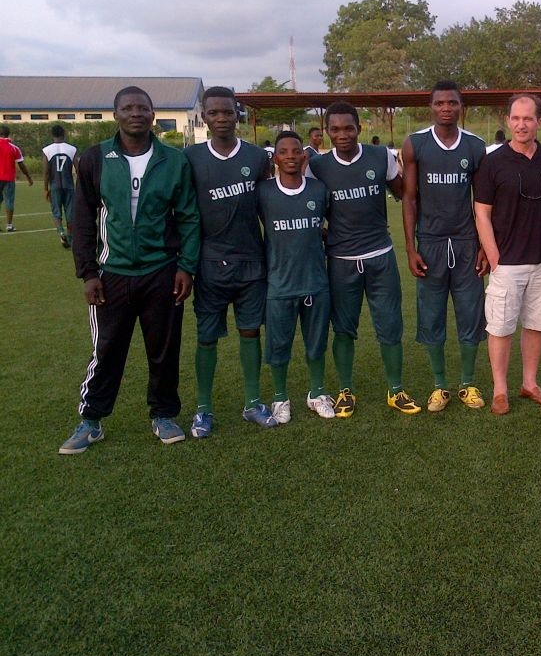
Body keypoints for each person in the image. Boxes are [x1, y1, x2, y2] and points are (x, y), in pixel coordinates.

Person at [59, 86, 200, 453]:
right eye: (128, 108)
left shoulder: (174, 160)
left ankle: (163, 414)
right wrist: (88, 272)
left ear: (153, 114)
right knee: (106, 349)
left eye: (143, 107)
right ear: (116, 114)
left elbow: (188, 216)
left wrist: (186, 266)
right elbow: (83, 220)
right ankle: (91, 420)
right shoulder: (94, 159)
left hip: (162, 271)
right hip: (112, 274)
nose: (136, 113)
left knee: (164, 349)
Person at [309, 101, 420, 417]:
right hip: (341, 260)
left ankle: (396, 390)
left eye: (348, 128)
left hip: (380, 256)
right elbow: (304, 202)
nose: (342, 135)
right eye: (335, 129)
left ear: (359, 128)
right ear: (327, 131)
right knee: (344, 329)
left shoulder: (379, 156)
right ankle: (345, 391)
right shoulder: (316, 166)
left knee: (390, 325)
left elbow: (402, 193)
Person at [185, 86, 277, 437]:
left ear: (236, 115)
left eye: (227, 112)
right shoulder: (191, 157)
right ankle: (203, 410)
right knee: (206, 337)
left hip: (252, 262)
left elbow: (270, 208)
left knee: (250, 332)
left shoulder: (256, 157)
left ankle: (253, 403)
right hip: (209, 264)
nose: (221, 118)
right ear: (204, 117)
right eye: (214, 113)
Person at [401, 80, 488, 412]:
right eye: (440, 103)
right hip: (431, 244)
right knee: (432, 317)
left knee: (470, 317)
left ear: (460, 106)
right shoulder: (415, 144)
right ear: (431, 107)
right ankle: (440, 386)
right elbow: (409, 199)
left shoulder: (475, 147)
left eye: (452, 103)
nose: (446, 108)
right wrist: (410, 248)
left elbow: (482, 202)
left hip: (466, 244)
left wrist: (482, 246)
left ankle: (467, 384)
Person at [473, 93, 541, 414]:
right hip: (506, 262)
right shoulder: (493, 162)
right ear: (508, 121)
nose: (521, 125)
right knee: (501, 327)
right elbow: (481, 213)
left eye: (528, 118)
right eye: (516, 118)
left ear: (538, 121)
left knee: (536, 324)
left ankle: (529, 383)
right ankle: (500, 389)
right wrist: (494, 258)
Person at [258, 131, 336, 423]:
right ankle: (280, 397)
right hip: (279, 283)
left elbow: (330, 223)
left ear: (305, 156)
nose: (291, 156)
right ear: (275, 158)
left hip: (316, 280)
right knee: (279, 345)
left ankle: (316, 393)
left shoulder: (318, 190)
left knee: (316, 343)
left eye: (296, 151)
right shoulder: (263, 192)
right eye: (284, 152)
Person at [42, 124, 78, 248]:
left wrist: (46, 189)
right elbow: (78, 169)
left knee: (56, 212)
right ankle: (71, 238)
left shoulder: (47, 150)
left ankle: (61, 232)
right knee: (70, 213)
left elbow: (46, 171)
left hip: (55, 185)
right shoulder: (72, 149)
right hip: (69, 185)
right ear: (64, 134)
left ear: (52, 135)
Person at [0, 125, 33, 232]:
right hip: (9, 179)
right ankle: (9, 225)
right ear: (8, 134)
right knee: (9, 201)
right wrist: (28, 177)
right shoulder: (14, 148)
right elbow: (21, 165)